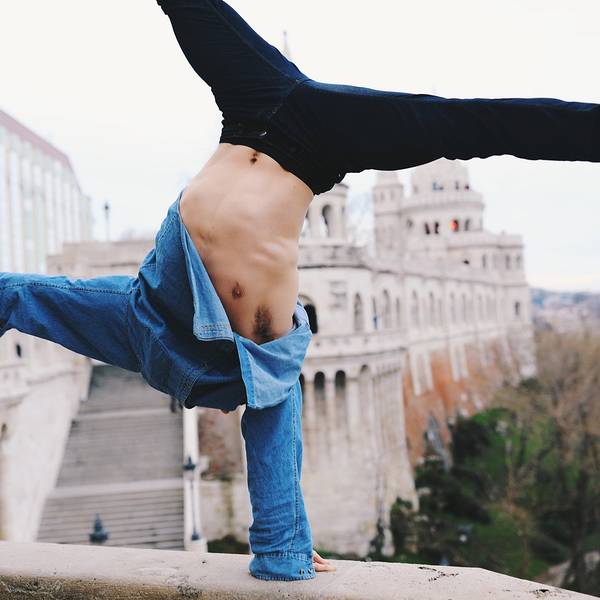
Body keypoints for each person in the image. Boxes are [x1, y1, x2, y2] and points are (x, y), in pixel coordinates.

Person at [1, 0, 598, 582]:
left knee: (52, 300)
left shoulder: (263, 95)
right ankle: (282, 549)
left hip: (181, 250)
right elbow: (494, 123)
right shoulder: (334, 127)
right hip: (222, 240)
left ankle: (283, 545)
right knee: (273, 378)